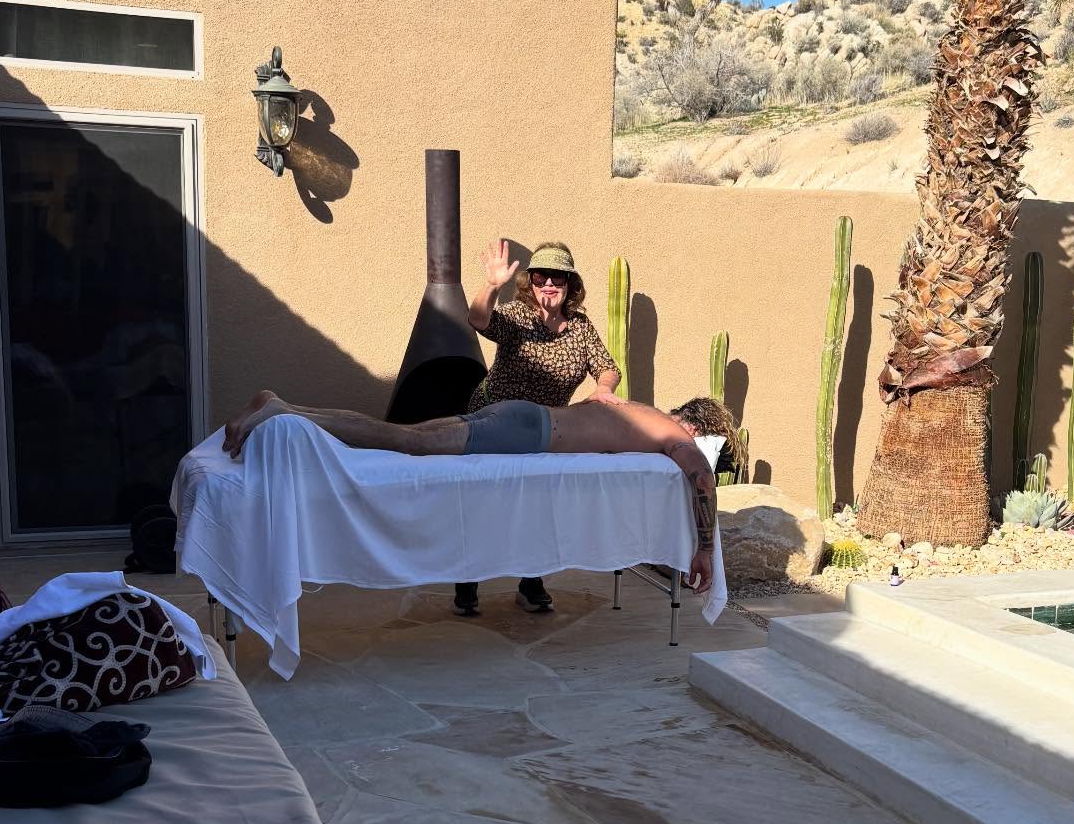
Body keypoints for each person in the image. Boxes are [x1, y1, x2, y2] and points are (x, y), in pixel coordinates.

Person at [222, 389, 721, 594]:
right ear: (693, 427)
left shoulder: (639, 411)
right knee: (407, 442)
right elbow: (701, 478)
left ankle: (288, 410)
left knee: (404, 434)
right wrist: (703, 549)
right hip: (527, 433)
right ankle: (284, 412)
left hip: (522, 416)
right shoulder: (673, 435)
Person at [455, 238, 620, 618]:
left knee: (538, 508)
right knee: (485, 503)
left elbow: (607, 366)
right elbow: (479, 319)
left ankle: (531, 583)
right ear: (529, 282)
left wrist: (603, 388)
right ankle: (467, 582)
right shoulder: (518, 316)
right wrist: (491, 285)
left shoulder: (580, 327)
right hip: (495, 421)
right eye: (541, 276)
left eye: (557, 277)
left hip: (544, 429)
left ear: (570, 284)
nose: (548, 284)